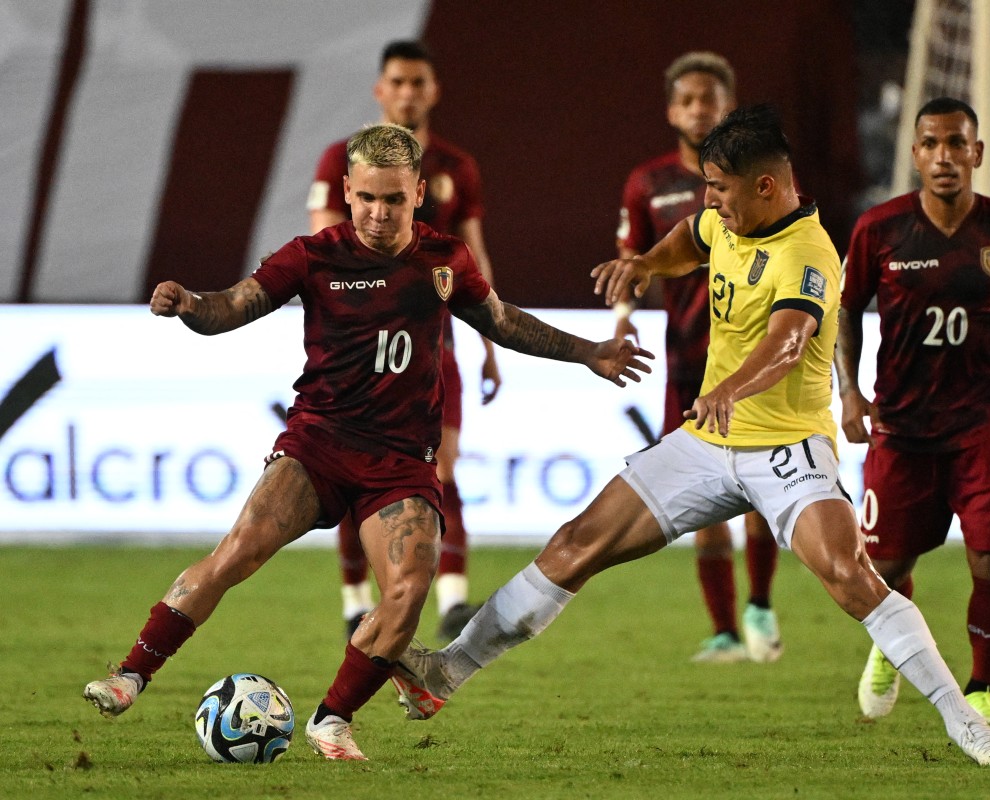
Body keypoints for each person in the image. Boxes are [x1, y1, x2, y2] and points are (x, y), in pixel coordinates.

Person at [390, 105, 990, 767]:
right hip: (707, 443)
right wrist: (645, 265)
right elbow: (690, 240)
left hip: (786, 447)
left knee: (849, 576)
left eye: (720, 189)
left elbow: (788, 342)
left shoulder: (808, 253)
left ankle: (965, 722)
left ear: (767, 187)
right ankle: (446, 673)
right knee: (577, 543)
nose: (710, 201)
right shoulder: (728, 222)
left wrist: (730, 388)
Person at [83, 123, 653, 761]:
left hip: (401, 462)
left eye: (394, 200)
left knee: (409, 591)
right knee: (236, 553)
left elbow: (502, 320)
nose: (378, 214)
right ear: (348, 191)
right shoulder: (311, 255)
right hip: (318, 444)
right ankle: (130, 675)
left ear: (417, 195)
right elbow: (232, 308)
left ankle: (332, 721)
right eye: (367, 199)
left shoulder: (444, 261)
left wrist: (588, 353)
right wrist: (189, 304)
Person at [835, 97, 990, 726]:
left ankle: (983, 688)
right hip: (902, 429)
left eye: (957, 144)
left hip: (984, 424)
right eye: (932, 144)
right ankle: (890, 649)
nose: (945, 156)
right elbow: (844, 311)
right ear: (915, 155)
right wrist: (849, 392)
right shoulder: (878, 229)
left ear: (977, 153)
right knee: (884, 568)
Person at [309, 40, 499, 641]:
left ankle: (453, 602)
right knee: (351, 472)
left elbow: (473, 251)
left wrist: (491, 336)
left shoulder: (455, 166)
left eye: (419, 82)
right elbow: (323, 242)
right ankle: (353, 598)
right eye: (399, 81)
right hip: (358, 345)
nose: (409, 92)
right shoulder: (339, 157)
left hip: (435, 342)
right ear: (379, 90)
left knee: (440, 468)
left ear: (433, 90)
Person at [615, 51, 782, 665]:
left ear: (729, 106)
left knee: (762, 491)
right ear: (670, 110)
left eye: (709, 99)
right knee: (707, 501)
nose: (697, 110)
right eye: (686, 100)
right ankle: (725, 633)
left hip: (754, 360)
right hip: (688, 362)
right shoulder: (648, 183)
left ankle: (760, 602)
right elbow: (633, 265)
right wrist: (622, 322)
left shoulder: (761, 178)